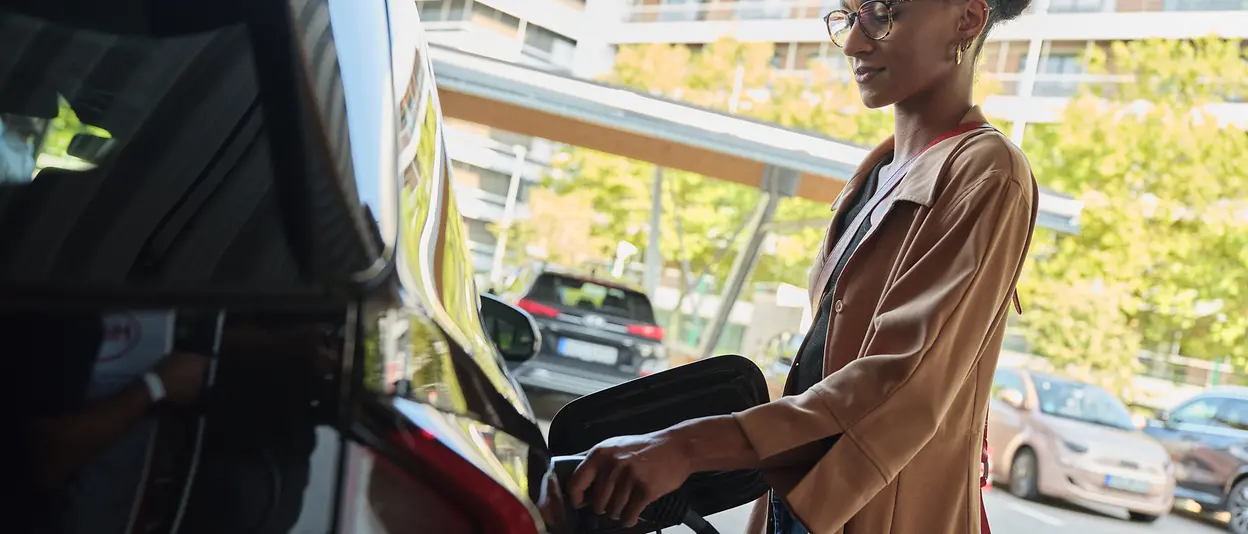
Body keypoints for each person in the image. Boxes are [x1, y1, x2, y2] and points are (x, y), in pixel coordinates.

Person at [566, 1, 1038, 533]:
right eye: (849, 17)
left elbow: (901, 381)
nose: (854, 43)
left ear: (967, 19)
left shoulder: (987, 172)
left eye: (882, 13)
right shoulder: (877, 174)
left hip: (879, 512)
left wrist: (685, 446)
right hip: (799, 502)